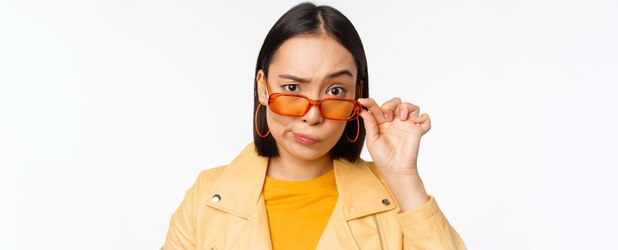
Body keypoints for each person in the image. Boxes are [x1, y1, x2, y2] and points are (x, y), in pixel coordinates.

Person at [163, 2, 465, 249]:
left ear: (357, 95)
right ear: (263, 88)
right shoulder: (207, 197)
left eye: (335, 91)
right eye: (293, 88)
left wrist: (403, 178)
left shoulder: (394, 198)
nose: (312, 115)